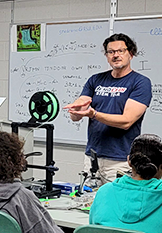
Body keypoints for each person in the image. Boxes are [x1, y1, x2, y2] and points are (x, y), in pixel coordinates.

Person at [64, 33, 153, 185]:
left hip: (120, 161)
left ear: (130, 54)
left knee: (117, 205)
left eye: (120, 51)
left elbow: (126, 121)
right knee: (87, 204)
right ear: (106, 55)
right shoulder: (95, 80)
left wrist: (93, 114)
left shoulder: (140, 83)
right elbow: (78, 112)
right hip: (92, 158)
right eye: (111, 52)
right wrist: (77, 109)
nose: (115, 55)